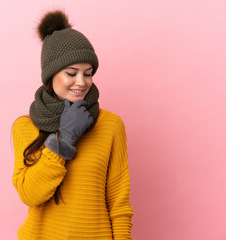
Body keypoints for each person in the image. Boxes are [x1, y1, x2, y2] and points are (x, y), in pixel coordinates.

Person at [12, 9, 134, 240]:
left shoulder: (110, 125)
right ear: (50, 75)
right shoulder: (25, 127)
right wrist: (64, 138)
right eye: (71, 73)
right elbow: (30, 194)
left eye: (88, 74)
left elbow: (119, 204)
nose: (82, 82)